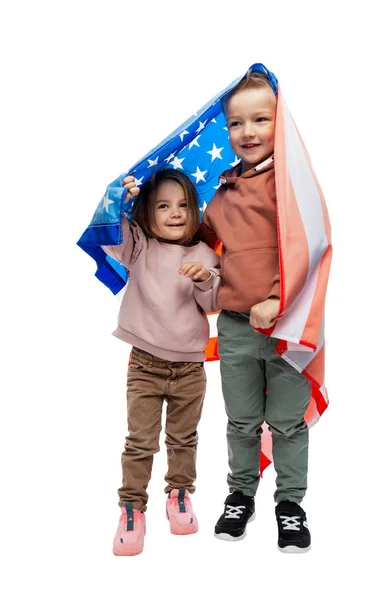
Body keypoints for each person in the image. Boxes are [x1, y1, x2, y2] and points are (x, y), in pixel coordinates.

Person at [199, 70, 313, 553]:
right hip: (236, 328)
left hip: (286, 325)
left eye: (261, 120)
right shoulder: (223, 194)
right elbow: (200, 244)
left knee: (288, 421)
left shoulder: (291, 185)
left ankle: (290, 504)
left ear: (279, 121)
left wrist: (277, 299)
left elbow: (310, 246)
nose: (248, 132)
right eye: (236, 123)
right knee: (241, 420)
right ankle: (240, 492)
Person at [102, 169, 221, 556]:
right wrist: (118, 199)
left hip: (189, 368)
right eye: (163, 206)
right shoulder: (140, 246)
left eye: (184, 205)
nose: (175, 213)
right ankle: (132, 508)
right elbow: (108, 232)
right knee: (140, 441)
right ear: (145, 213)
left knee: (183, 438)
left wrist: (205, 278)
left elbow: (214, 303)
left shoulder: (202, 253)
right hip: (145, 365)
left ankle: (180, 494)